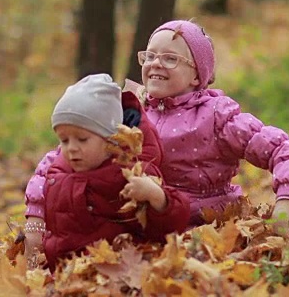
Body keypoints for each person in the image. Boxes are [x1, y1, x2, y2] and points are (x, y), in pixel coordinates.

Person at [131, 19, 289, 236]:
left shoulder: (215, 116)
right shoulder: (134, 110)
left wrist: (283, 210)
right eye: (150, 56)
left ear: (197, 74)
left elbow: (284, 151)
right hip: (144, 222)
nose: (156, 63)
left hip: (205, 226)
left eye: (170, 58)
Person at [23, 73, 190, 270]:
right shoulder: (57, 170)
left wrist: (157, 197)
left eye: (82, 139)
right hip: (64, 272)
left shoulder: (130, 173)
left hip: (114, 273)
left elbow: (170, 225)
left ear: (111, 140)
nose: (71, 148)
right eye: (64, 140)